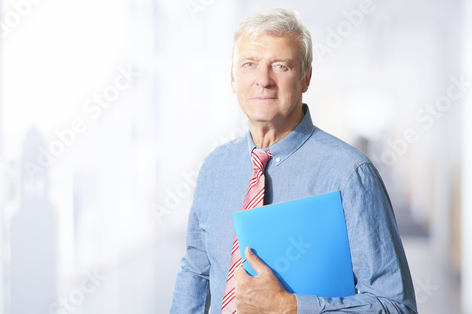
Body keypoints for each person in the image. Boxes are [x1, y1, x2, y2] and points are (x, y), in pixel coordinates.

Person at [170, 8, 418, 314]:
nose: (263, 80)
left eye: (280, 66)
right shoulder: (214, 168)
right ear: (233, 79)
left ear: (305, 77)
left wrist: (290, 307)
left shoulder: (349, 174)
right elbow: (196, 272)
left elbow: (396, 306)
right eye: (249, 64)